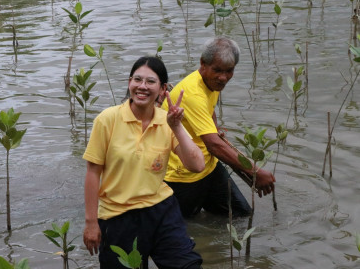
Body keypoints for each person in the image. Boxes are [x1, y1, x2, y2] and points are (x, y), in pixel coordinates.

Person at [82, 56, 205, 269]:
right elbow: (93, 173)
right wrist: (91, 223)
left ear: (163, 88)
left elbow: (197, 165)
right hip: (117, 216)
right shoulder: (107, 119)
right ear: (129, 82)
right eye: (137, 80)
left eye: (150, 82)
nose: (142, 86)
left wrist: (177, 126)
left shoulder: (168, 121)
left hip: (161, 210)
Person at [162, 37, 276, 218]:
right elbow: (213, 145)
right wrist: (255, 171)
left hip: (209, 167)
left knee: (241, 215)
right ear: (203, 64)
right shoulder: (192, 93)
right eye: (217, 70)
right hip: (183, 175)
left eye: (229, 71)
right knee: (183, 228)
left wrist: (213, 127)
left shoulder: (210, 83)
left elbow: (209, 111)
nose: (223, 78)